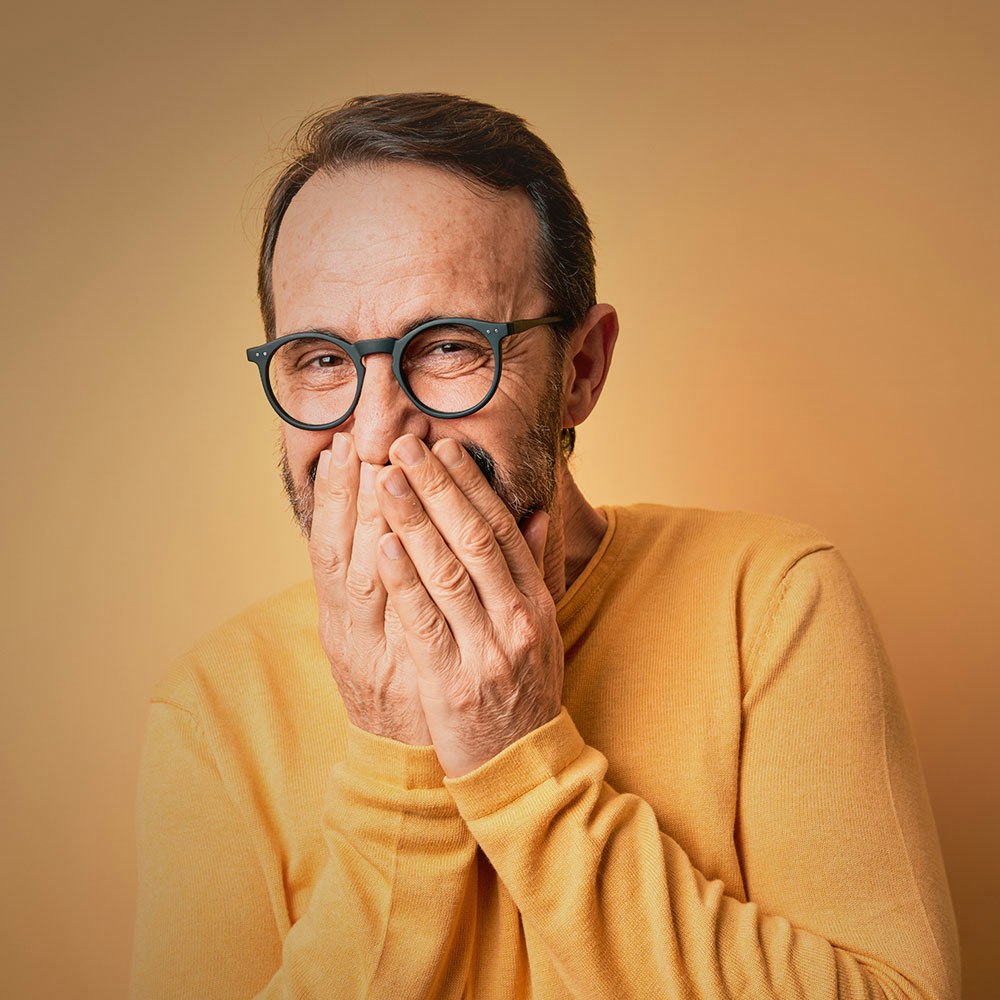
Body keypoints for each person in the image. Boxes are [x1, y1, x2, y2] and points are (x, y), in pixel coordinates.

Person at [129, 93, 959, 999]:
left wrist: (515, 752)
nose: (373, 437)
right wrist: (403, 770)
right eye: (322, 359)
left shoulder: (768, 604)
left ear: (581, 371)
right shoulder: (214, 708)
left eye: (448, 347)